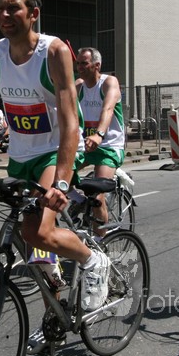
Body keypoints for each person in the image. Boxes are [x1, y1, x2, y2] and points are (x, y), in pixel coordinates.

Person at [0, 0, 110, 354]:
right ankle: (56, 316)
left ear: (33, 14)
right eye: (1, 8)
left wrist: (61, 183)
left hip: (54, 151)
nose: (5, 14)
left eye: (13, 7)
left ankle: (93, 260)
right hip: (21, 156)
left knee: (39, 230)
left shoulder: (54, 51)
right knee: (31, 244)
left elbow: (70, 121)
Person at [75, 47, 125, 233]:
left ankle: (100, 242)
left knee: (97, 195)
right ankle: (79, 201)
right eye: (78, 63)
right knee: (59, 176)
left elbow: (108, 109)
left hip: (108, 146)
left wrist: (98, 134)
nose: (79, 67)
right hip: (85, 146)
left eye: (84, 63)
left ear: (97, 65)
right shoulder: (79, 86)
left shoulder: (109, 82)